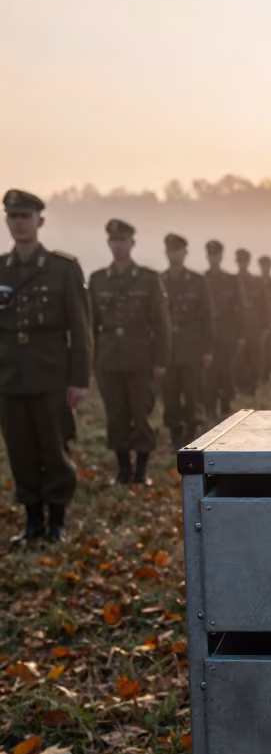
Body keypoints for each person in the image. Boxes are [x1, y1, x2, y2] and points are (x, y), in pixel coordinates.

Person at [0, 190, 91, 543]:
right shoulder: (1, 269)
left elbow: (79, 330)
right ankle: (32, 522)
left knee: (54, 451)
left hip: (51, 375)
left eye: (26, 216)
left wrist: (78, 380)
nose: (19, 223)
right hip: (9, 377)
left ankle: (56, 523)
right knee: (20, 452)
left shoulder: (62, 268)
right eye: (13, 217)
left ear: (40, 221)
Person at [89, 219, 170, 485]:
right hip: (109, 357)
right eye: (114, 240)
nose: (118, 246)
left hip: (140, 356)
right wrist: (91, 360)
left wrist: (160, 359)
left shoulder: (148, 279)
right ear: (108, 243)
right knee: (116, 414)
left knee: (140, 412)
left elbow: (160, 322)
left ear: (132, 243)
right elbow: (91, 324)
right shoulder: (98, 279)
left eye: (123, 240)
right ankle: (123, 469)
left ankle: (142, 470)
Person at [160, 234, 213, 451]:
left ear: (185, 253)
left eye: (178, 251)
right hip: (168, 348)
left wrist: (208, 349)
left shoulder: (198, 282)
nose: (175, 255)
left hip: (192, 347)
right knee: (170, 394)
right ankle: (175, 435)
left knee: (192, 393)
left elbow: (206, 317)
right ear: (167, 253)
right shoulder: (159, 280)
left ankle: (192, 434)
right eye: (171, 251)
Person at [204, 239, 242, 421]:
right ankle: (210, 408)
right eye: (210, 255)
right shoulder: (201, 281)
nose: (213, 258)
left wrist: (239, 334)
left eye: (216, 255)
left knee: (226, 371)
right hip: (208, 334)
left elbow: (239, 308)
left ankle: (225, 405)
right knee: (209, 373)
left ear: (221, 256)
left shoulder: (231, 281)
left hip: (227, 334)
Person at [234, 249, 264, 393]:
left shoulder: (256, 282)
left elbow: (263, 305)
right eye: (239, 260)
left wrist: (265, 326)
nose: (242, 263)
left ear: (248, 262)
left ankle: (253, 385)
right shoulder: (232, 281)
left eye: (244, 260)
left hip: (254, 325)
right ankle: (239, 386)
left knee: (254, 356)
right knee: (238, 358)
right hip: (237, 325)